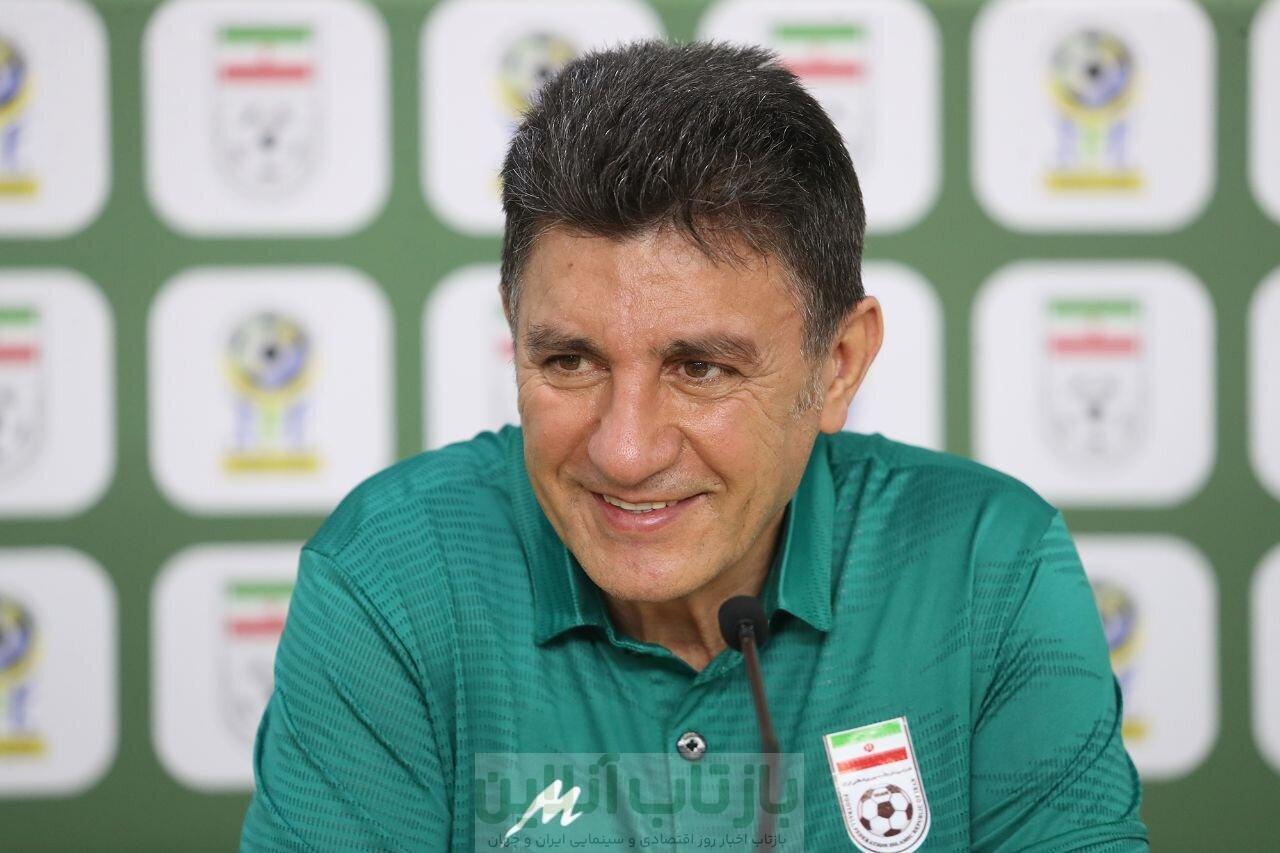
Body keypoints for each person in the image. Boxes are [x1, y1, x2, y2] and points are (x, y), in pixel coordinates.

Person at [240, 41, 1148, 851]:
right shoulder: (393, 572)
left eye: (701, 368)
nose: (625, 451)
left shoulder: (988, 568)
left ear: (838, 365)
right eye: (569, 360)